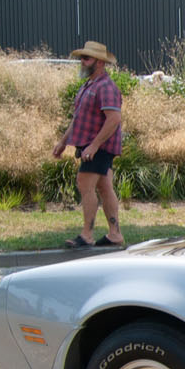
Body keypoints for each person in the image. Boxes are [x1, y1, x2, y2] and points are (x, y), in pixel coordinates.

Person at [52, 40, 124, 248]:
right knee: (104, 187)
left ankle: (87, 235)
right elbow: (78, 118)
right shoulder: (89, 85)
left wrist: (93, 146)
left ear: (100, 62)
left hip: (99, 148)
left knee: (85, 184)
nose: (82, 62)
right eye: (81, 58)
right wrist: (63, 142)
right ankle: (115, 235)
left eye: (86, 58)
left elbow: (114, 119)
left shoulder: (106, 87)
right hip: (90, 146)